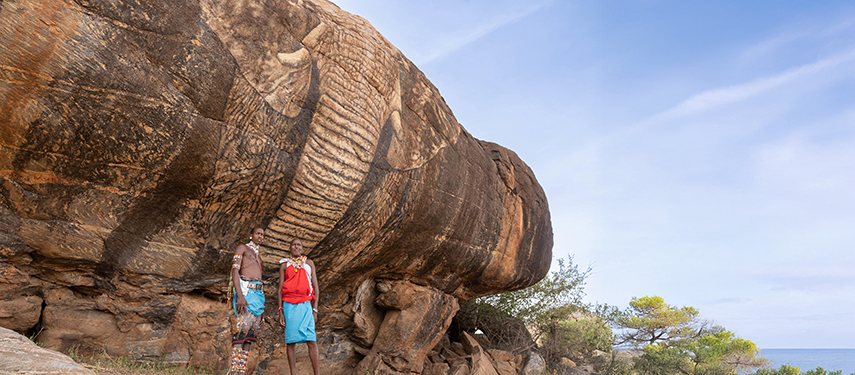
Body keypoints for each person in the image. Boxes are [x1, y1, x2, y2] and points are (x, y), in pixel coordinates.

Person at [278, 238, 320, 375]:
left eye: (299, 245)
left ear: (302, 249)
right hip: (289, 306)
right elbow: (279, 289)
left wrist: (315, 309)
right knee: (291, 341)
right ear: (290, 248)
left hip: (306, 305)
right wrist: (280, 311)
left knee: (312, 340)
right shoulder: (284, 265)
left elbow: (316, 287)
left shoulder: (309, 263)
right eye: (293, 245)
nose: (296, 247)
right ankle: (293, 373)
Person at [227, 227, 266, 375]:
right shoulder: (242, 248)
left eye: (262, 235)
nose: (260, 236)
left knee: (249, 337)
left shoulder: (259, 256)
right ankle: (233, 371)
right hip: (246, 293)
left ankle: (241, 371)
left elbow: (260, 281)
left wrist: (262, 308)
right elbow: (235, 271)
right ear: (251, 235)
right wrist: (240, 296)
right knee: (241, 332)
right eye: (257, 233)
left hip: (258, 296)